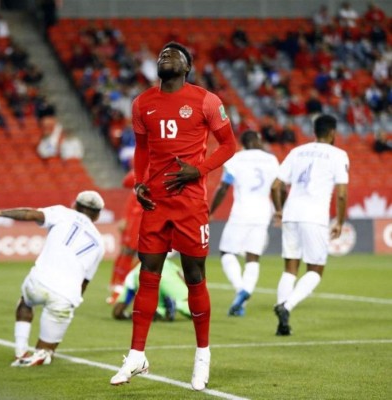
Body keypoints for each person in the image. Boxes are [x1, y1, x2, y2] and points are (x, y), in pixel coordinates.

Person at [110, 42, 236, 391]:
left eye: (174, 54)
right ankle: (136, 354)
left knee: (195, 275)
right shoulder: (141, 104)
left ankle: (202, 355)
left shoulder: (206, 100)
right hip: (156, 203)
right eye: (162, 53)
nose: (166, 56)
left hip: (191, 202)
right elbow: (143, 149)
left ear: (187, 66)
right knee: (148, 272)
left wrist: (199, 170)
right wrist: (139, 183)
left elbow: (229, 145)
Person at [0, 190, 105, 366]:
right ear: (97, 216)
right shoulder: (100, 242)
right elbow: (85, 281)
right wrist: (73, 301)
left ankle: (20, 350)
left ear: (75, 204)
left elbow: (29, 213)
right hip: (65, 295)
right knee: (47, 350)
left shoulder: (62, 212)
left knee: (25, 302)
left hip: (38, 282)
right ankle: (42, 353)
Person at [271, 114, 349, 336]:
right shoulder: (338, 154)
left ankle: (282, 324)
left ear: (314, 132)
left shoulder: (297, 151)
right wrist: (340, 222)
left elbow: (276, 185)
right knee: (315, 269)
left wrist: (279, 209)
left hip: (291, 214)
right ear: (333, 132)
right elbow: (342, 194)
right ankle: (286, 306)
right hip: (314, 217)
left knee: (290, 268)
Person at [209, 130, 279, 316]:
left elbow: (224, 187)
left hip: (241, 211)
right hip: (264, 212)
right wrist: (280, 210)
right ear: (258, 140)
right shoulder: (271, 160)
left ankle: (241, 289)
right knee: (253, 256)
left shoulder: (235, 159)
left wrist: (211, 211)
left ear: (243, 144)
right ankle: (244, 296)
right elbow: (277, 187)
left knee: (226, 252)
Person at [113, 257, 191, 321]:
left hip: (142, 276)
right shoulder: (167, 262)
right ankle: (177, 304)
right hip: (167, 278)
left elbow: (118, 311)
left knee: (155, 305)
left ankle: (159, 312)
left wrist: (128, 316)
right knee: (194, 308)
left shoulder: (132, 275)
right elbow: (182, 275)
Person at [107, 169, 143, 304]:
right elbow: (127, 182)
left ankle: (125, 288)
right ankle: (117, 289)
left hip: (149, 217)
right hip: (136, 219)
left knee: (145, 257)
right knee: (127, 252)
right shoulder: (144, 170)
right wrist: (125, 217)